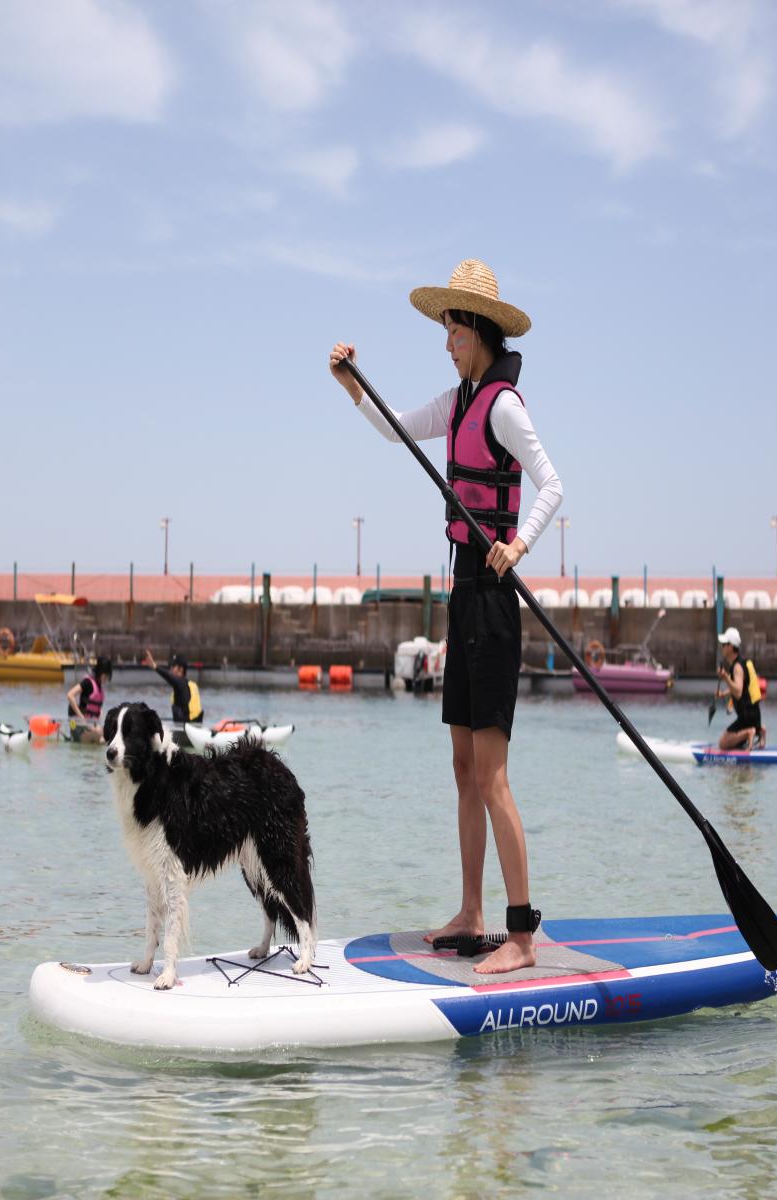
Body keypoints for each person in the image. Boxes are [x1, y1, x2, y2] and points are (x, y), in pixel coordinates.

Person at [328, 257, 563, 975]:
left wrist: (517, 544)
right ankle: (472, 912)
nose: (446, 340)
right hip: (462, 593)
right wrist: (351, 387)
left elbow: (552, 484)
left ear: (479, 330)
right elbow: (395, 430)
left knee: (491, 774)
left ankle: (521, 934)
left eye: (453, 327)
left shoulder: (501, 406)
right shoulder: (459, 400)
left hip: (494, 601)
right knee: (462, 766)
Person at [715, 627, 767, 750]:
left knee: (723, 744)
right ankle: (760, 729)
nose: (722, 647)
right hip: (754, 715)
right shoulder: (744, 663)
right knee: (733, 744)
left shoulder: (737, 667)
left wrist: (725, 677)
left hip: (746, 717)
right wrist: (723, 694)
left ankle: (749, 732)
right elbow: (744, 690)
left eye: (724, 644)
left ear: (731, 647)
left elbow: (738, 692)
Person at [142, 649, 204, 726]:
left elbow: (170, 677)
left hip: (186, 730)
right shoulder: (190, 684)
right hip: (195, 726)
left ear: (181, 669)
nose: (170, 669)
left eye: (173, 666)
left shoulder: (181, 684)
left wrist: (155, 666)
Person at [66, 656, 113, 744]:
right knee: (101, 738)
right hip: (79, 726)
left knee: (107, 736)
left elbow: (97, 709)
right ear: (100, 672)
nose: (106, 678)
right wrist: (81, 717)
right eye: (106, 675)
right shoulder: (87, 683)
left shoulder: (99, 687)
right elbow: (70, 695)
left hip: (91, 726)